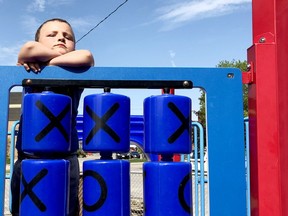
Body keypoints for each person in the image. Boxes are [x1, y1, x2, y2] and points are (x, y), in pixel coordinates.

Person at [11, 18, 94, 216]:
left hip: (66, 158)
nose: (61, 39)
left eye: (68, 37)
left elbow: (87, 56)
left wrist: (50, 62)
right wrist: (50, 59)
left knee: (65, 208)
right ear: (40, 42)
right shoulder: (31, 68)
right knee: (24, 209)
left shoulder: (76, 71)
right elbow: (28, 49)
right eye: (52, 35)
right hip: (28, 158)